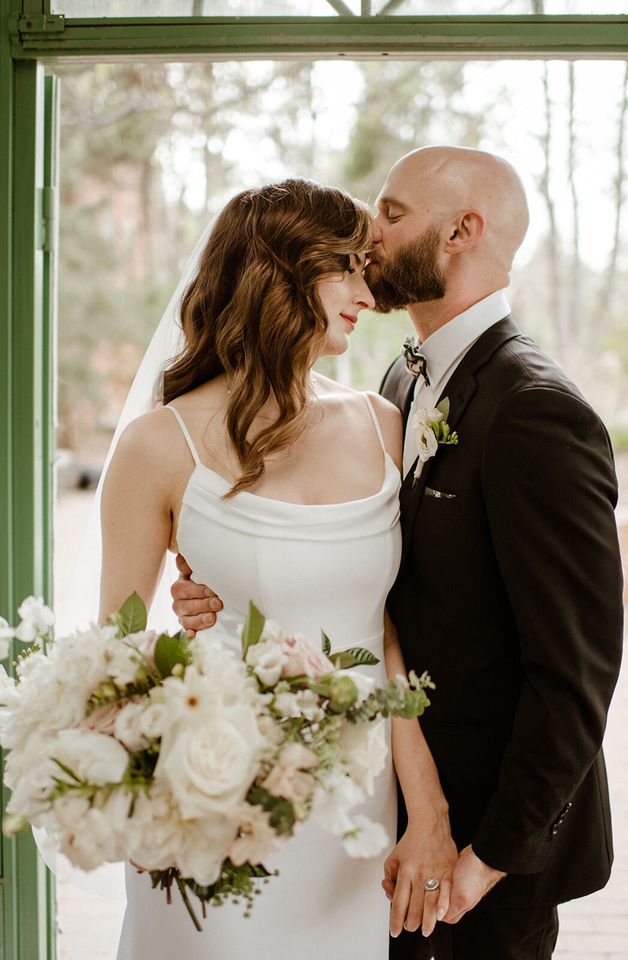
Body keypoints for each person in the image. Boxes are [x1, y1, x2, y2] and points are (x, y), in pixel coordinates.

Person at [173, 148, 624, 960]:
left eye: (388, 213)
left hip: (478, 852)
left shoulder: (535, 411)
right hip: (385, 811)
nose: (367, 238)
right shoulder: (396, 381)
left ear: (461, 231)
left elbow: (577, 671)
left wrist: (485, 860)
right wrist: (224, 577)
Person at [99, 177, 455, 960]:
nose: (370, 291)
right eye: (349, 268)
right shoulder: (159, 446)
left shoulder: (383, 422)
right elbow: (115, 655)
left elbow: (388, 632)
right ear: (280, 273)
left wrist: (427, 810)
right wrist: (132, 808)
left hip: (359, 803)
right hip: (217, 793)